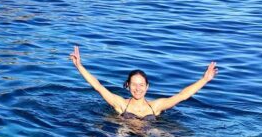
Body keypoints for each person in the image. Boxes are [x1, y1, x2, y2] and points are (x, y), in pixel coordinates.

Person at [69, 46, 218, 119]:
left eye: (141, 85)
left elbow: (182, 96)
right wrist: (79, 66)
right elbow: (98, 87)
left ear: (147, 87)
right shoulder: (120, 104)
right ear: (127, 86)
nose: (138, 88)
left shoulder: (156, 106)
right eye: (134, 84)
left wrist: (204, 80)